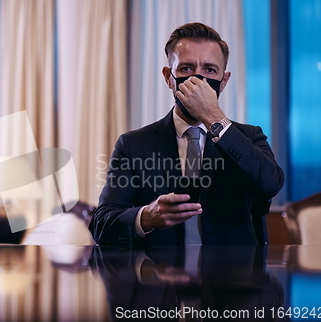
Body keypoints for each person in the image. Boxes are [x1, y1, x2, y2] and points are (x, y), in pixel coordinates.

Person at [89, 22, 284, 246]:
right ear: (168, 77)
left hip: (231, 277)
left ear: (224, 81)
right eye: (186, 69)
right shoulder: (133, 145)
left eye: (210, 70)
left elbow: (271, 184)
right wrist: (146, 216)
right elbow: (101, 224)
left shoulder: (248, 137)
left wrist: (213, 118)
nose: (197, 80)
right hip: (159, 275)